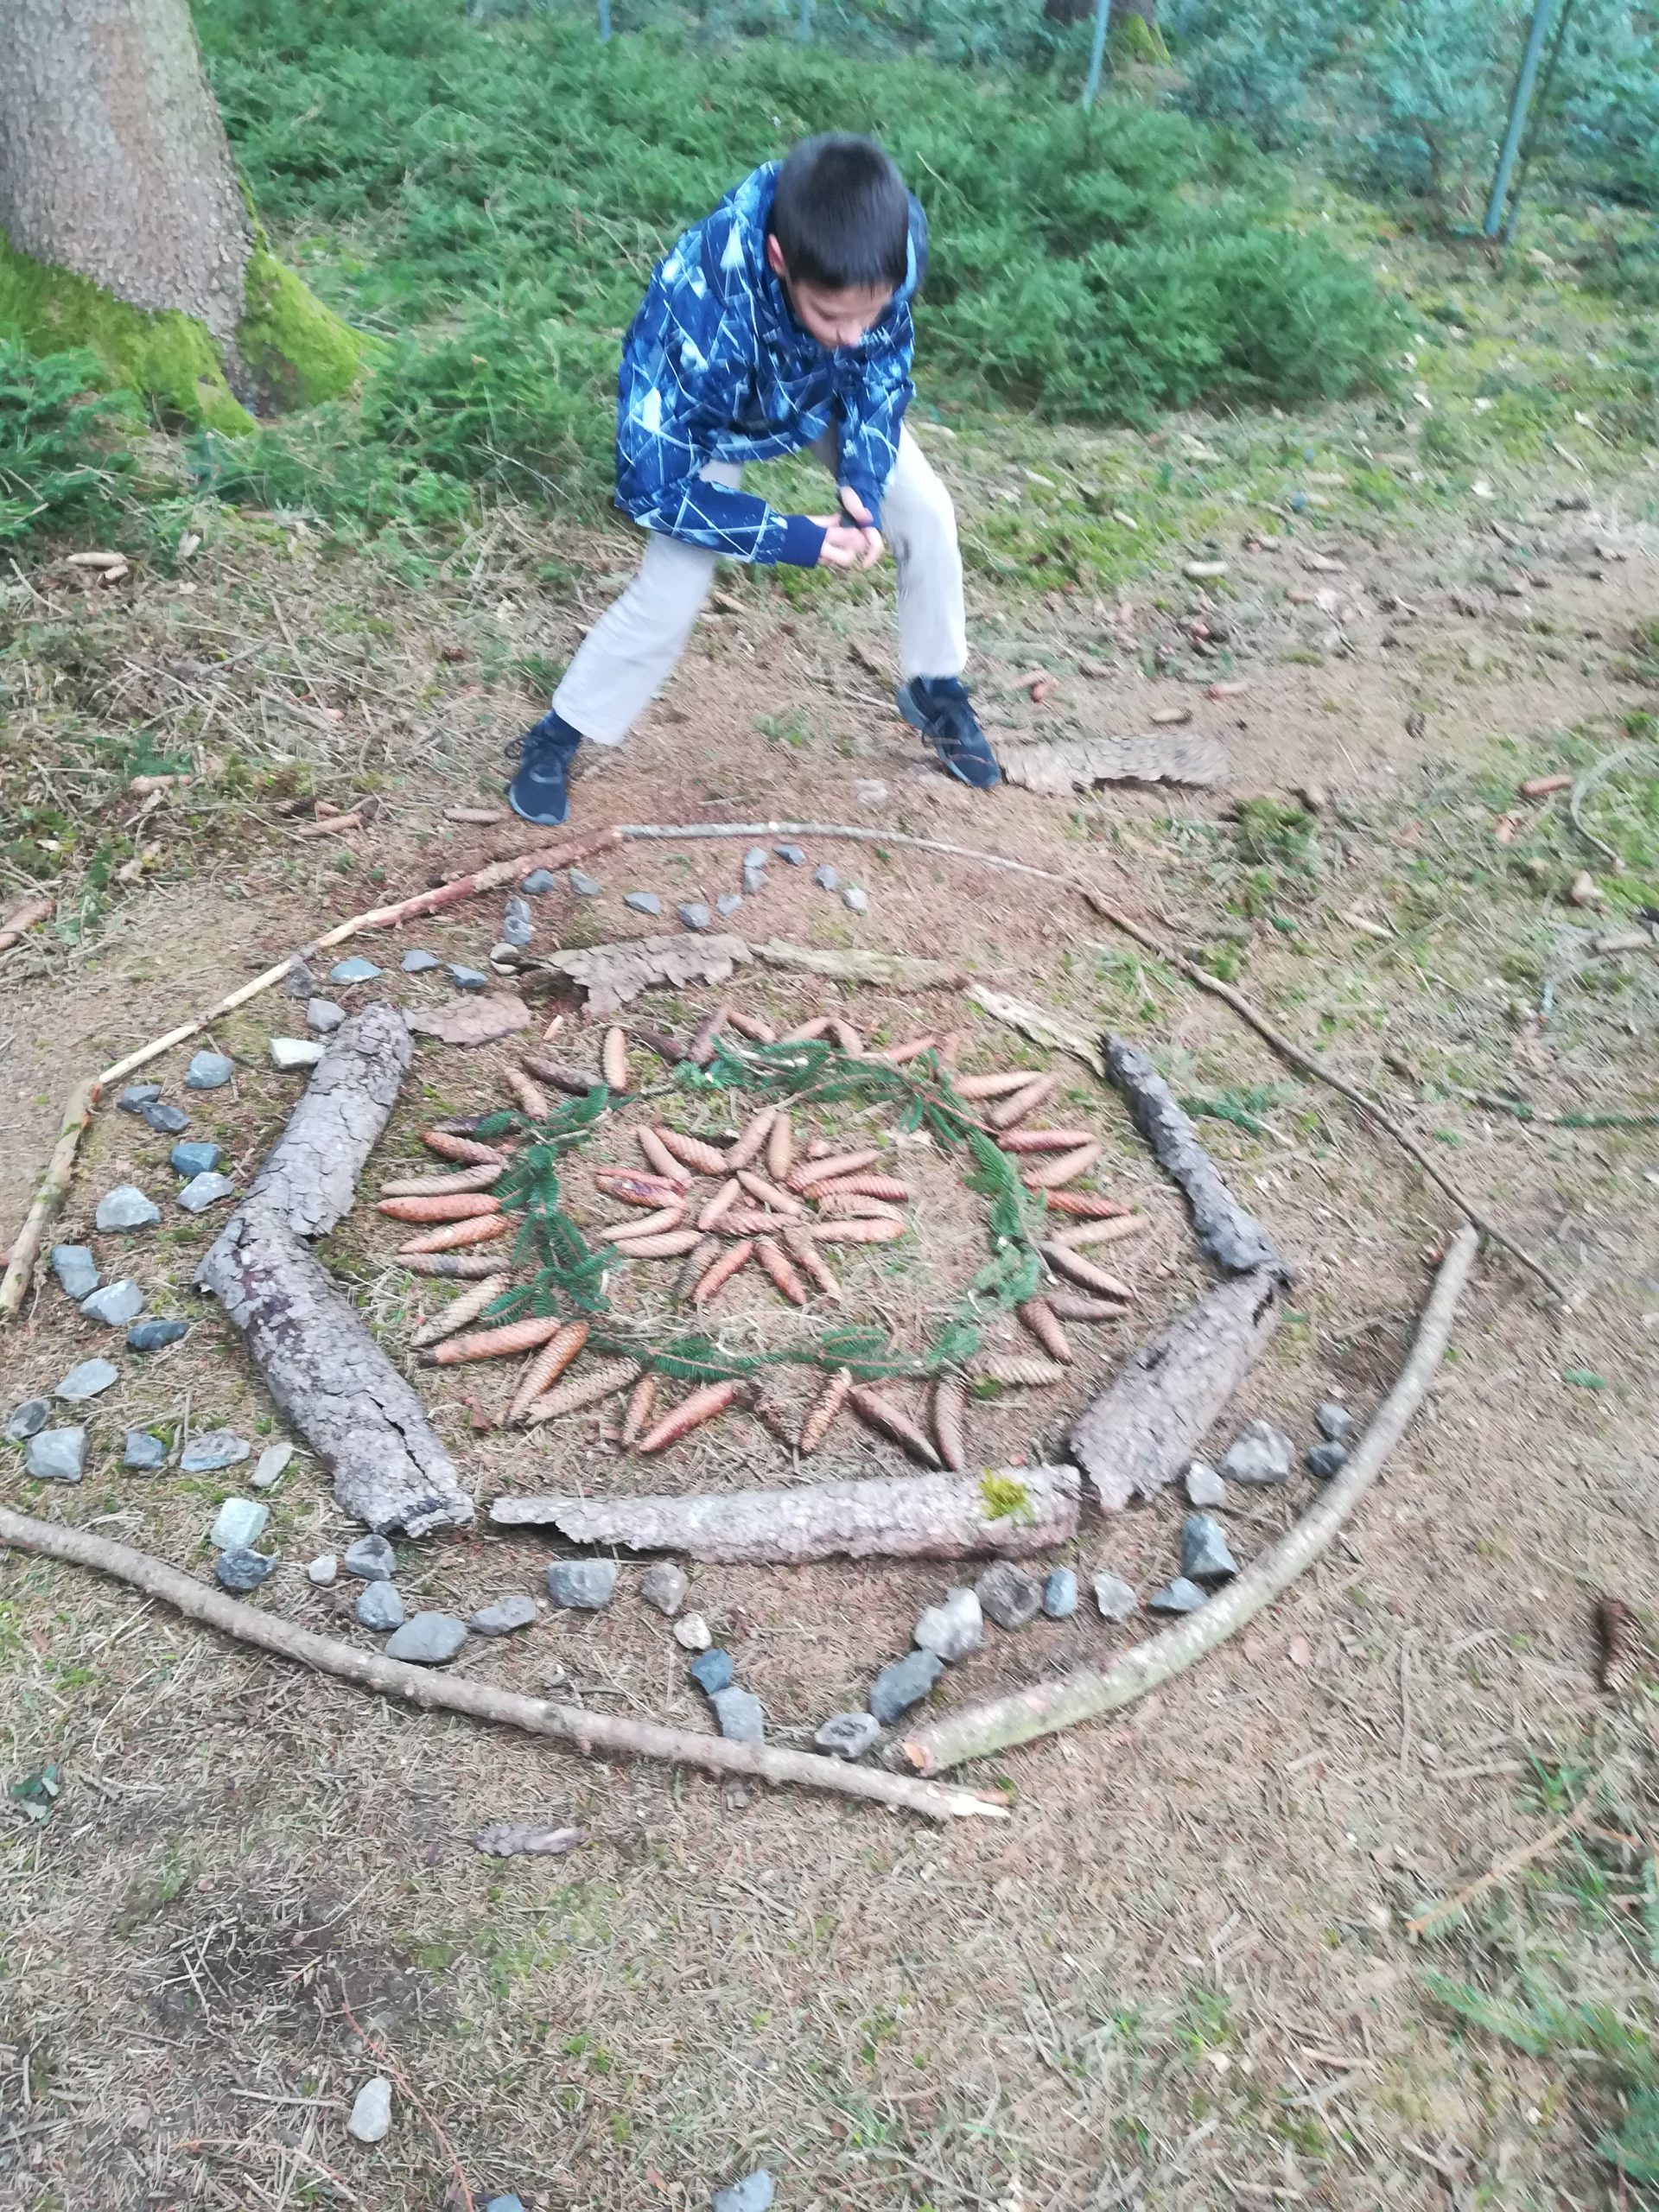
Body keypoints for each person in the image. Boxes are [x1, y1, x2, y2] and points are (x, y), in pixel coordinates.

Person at [506, 131, 1000, 826]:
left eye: (872, 310)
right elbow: (654, 485)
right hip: (713, 422)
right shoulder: (695, 306)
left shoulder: (885, 251)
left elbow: (878, 367)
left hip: (818, 396)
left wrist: (862, 475)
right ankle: (557, 735)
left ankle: (937, 689)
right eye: (833, 313)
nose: (856, 330)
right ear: (779, 259)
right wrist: (789, 537)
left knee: (927, 512)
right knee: (671, 591)